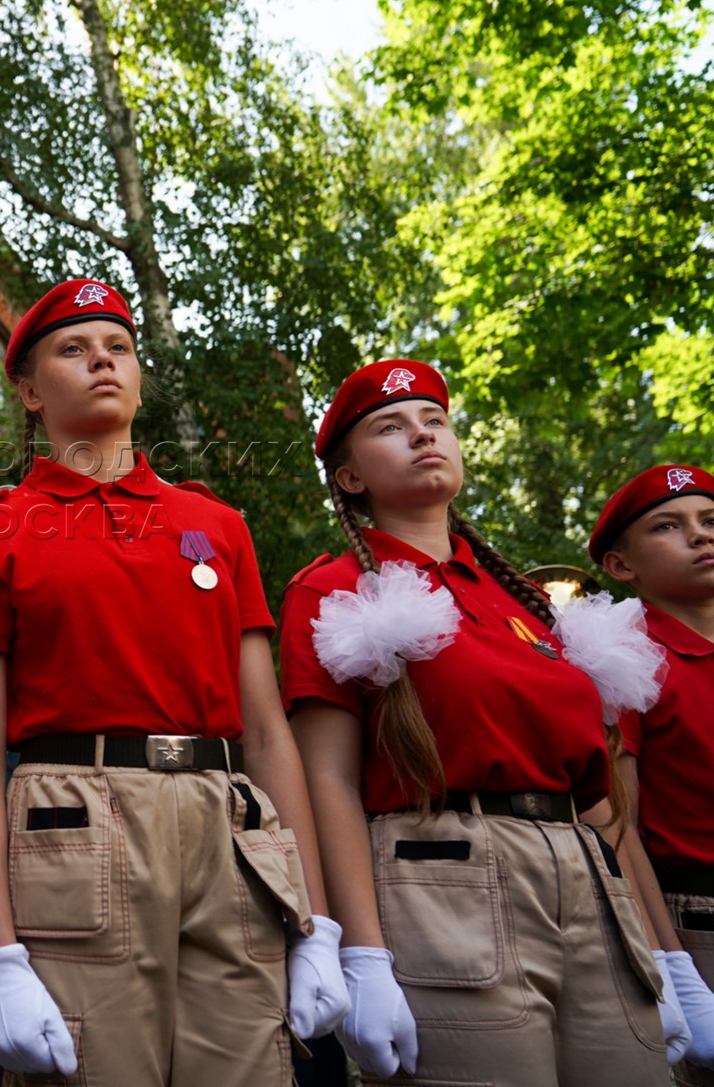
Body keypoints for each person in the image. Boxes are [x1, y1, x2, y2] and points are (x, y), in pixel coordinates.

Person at [0, 278, 346, 1086]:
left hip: (228, 833)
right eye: (74, 349)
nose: (102, 362)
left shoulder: (216, 526)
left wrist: (320, 925)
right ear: (27, 389)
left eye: (118, 347)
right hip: (75, 826)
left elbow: (266, 734)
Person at [279, 358, 680, 1084]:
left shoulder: (527, 602)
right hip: (444, 878)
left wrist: (664, 953)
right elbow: (327, 781)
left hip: (587, 878)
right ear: (350, 478)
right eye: (391, 428)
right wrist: (359, 952)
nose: (423, 436)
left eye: (436, 421)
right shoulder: (333, 588)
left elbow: (600, 797)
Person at [594, 463, 714, 1082]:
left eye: (711, 520)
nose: (701, 536)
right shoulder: (626, 655)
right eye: (670, 526)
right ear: (621, 565)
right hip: (698, 920)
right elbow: (619, 826)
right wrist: (673, 966)